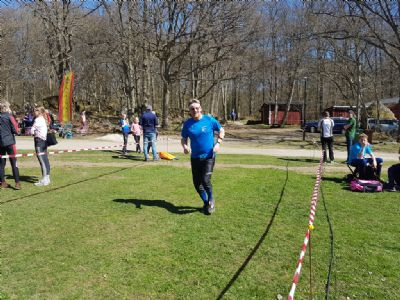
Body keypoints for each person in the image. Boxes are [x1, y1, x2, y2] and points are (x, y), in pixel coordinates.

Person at [181, 99, 225, 214]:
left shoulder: (209, 120)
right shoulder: (187, 124)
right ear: (189, 111)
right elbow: (183, 138)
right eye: (192, 109)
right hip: (195, 157)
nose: (195, 110)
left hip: (209, 156)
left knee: (205, 180)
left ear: (200, 109)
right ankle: (206, 203)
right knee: (197, 184)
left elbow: (221, 130)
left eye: (197, 108)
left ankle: (211, 200)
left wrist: (218, 143)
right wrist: (185, 146)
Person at [0, 101, 21, 190]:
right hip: (10, 143)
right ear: (6, 108)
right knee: (14, 162)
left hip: (0, 143)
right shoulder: (9, 116)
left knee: (1, 164)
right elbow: (16, 130)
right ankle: (17, 183)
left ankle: (2, 182)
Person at [31, 106, 51, 186]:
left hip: (39, 141)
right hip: (44, 141)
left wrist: (33, 132)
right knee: (45, 160)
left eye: (35, 111)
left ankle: (44, 180)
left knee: (42, 161)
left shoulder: (37, 120)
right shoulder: (43, 119)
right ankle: (47, 178)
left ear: (38, 112)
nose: (33, 112)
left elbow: (32, 130)